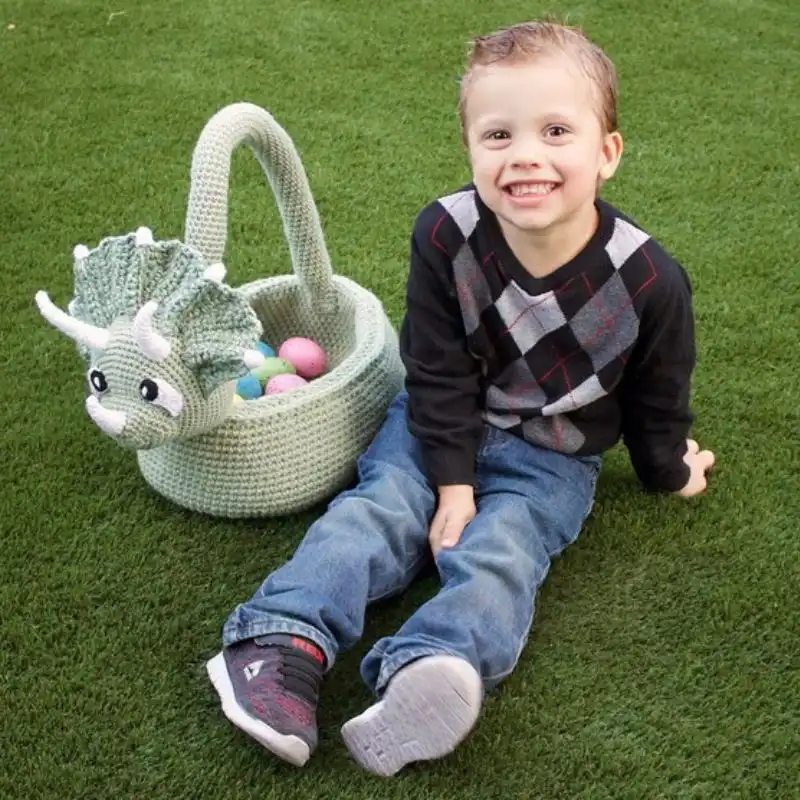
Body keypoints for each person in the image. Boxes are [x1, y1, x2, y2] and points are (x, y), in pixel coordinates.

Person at [205, 19, 715, 777]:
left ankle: (429, 669)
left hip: (554, 458)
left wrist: (670, 469)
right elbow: (435, 364)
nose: (526, 156)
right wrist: (450, 480)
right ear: (472, 148)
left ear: (606, 153)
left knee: (502, 554)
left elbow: (658, 397)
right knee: (378, 514)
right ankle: (278, 640)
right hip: (438, 422)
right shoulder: (446, 232)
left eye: (555, 131)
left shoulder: (648, 279)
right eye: (499, 134)